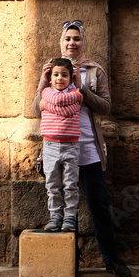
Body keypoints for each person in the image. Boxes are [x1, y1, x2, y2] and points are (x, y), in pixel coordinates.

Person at [33, 20, 132, 277]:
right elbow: (35, 108)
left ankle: (110, 260)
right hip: (59, 147)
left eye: (76, 38)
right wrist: (45, 83)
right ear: (61, 42)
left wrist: (82, 88)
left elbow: (106, 106)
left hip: (88, 148)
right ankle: (70, 263)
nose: (72, 43)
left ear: (83, 41)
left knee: (98, 203)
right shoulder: (52, 71)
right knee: (67, 203)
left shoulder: (94, 71)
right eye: (67, 38)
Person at [39, 57, 83, 232]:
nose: (59, 78)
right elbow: (60, 103)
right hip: (50, 146)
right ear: (50, 78)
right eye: (55, 74)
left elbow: (71, 107)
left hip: (70, 146)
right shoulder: (47, 92)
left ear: (71, 78)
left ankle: (70, 216)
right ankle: (55, 216)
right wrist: (76, 96)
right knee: (52, 184)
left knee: (70, 184)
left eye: (64, 75)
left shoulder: (76, 94)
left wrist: (47, 107)